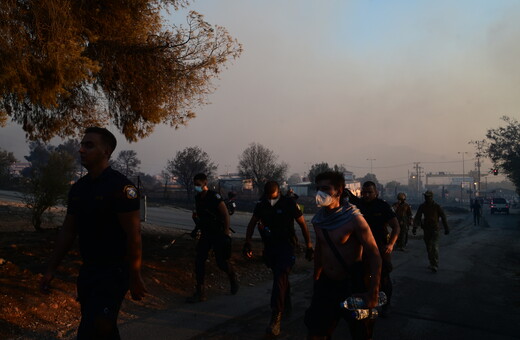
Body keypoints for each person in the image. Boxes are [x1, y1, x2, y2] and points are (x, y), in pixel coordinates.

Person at [40, 127, 147, 339]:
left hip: (115, 271)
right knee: (99, 327)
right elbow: (68, 232)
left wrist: (135, 276)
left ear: (106, 151)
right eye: (81, 145)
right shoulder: (79, 189)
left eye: (89, 145)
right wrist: (51, 268)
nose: (81, 150)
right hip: (89, 271)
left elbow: (133, 236)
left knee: (97, 326)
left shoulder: (121, 188)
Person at [305, 172, 381, 340]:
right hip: (327, 283)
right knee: (316, 331)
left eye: (325, 189)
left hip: (352, 285)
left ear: (339, 191)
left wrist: (373, 292)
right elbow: (320, 248)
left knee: (360, 333)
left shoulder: (354, 219)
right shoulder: (319, 220)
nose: (320, 193)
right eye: (318, 189)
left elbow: (375, 254)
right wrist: (317, 276)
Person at [243, 181, 314, 337]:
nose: (270, 199)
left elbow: (302, 224)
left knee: (280, 278)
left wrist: (309, 244)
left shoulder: (289, 203)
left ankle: (276, 316)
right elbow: (252, 224)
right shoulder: (261, 204)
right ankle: (285, 300)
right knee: (279, 278)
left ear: (278, 192)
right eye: (268, 196)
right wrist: (247, 243)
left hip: (286, 246)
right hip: (270, 247)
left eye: (273, 196)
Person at [346, 181, 399, 316]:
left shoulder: (383, 206)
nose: (367, 195)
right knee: (359, 276)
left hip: (380, 247)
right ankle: (362, 304)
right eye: (364, 192)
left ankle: (386, 305)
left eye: (370, 192)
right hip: (361, 248)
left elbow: (396, 227)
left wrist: (391, 244)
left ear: (376, 193)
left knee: (384, 277)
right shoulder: (358, 205)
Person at [187, 173, 239, 302]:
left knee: (221, 263)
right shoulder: (198, 198)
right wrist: (196, 229)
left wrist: (226, 232)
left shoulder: (214, 196)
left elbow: (225, 215)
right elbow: (200, 217)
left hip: (218, 233)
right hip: (206, 233)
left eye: (198, 185)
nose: (196, 187)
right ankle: (200, 291)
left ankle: (232, 277)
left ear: (205, 183)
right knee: (199, 261)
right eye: (195, 185)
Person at [413, 190, 450, 272]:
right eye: (425, 197)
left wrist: (446, 228)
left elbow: (443, 217)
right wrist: (414, 227)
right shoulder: (422, 206)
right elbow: (418, 217)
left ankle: (435, 264)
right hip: (426, 229)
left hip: (435, 229)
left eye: (428, 197)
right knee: (429, 248)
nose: (426, 198)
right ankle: (432, 262)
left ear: (431, 197)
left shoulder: (437, 207)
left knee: (434, 247)